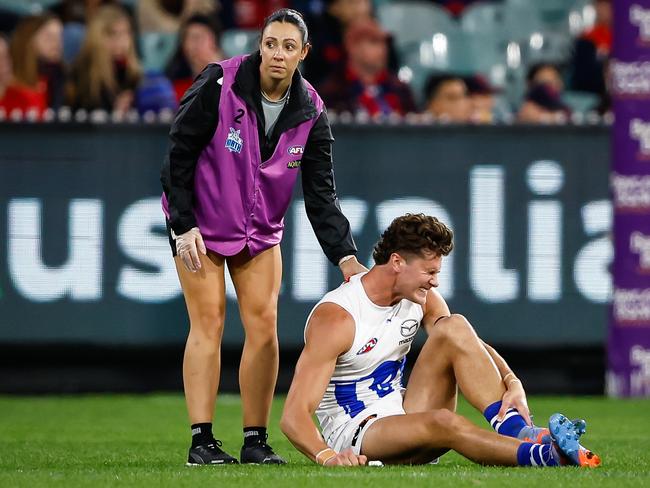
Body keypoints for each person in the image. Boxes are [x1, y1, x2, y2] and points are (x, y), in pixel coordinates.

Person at [160, 8, 366, 466]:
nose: (277, 53)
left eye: (288, 46)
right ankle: (202, 442)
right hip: (202, 226)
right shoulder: (220, 83)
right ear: (260, 43)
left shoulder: (310, 109)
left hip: (260, 231)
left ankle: (255, 439)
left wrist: (346, 256)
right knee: (208, 323)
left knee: (264, 331)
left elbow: (320, 194)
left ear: (303, 53)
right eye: (271, 43)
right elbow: (179, 153)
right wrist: (183, 224)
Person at [281, 213, 602, 468]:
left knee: (453, 325)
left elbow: (466, 342)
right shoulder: (338, 317)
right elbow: (293, 415)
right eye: (429, 271)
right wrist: (328, 457)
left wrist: (510, 378)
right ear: (397, 262)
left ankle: (517, 429)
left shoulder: (420, 297)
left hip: (403, 412)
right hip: (358, 432)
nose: (435, 280)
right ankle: (546, 457)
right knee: (444, 421)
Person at [318, 18, 415, 117]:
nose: (383, 50)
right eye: (374, 42)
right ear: (352, 47)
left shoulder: (400, 90)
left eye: (384, 43)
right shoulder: (334, 92)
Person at [67, 4, 142, 115]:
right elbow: (87, 115)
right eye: (113, 34)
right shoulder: (84, 70)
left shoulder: (132, 73)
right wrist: (115, 111)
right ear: (97, 36)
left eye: (126, 33)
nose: (121, 41)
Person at [9, 13, 66, 113]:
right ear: (28, 39)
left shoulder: (64, 78)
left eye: (60, 36)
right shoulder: (9, 80)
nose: (56, 42)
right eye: (48, 36)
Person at [164, 14, 224, 103]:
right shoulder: (174, 83)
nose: (194, 44)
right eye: (189, 38)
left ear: (214, 42)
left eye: (199, 37)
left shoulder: (232, 75)